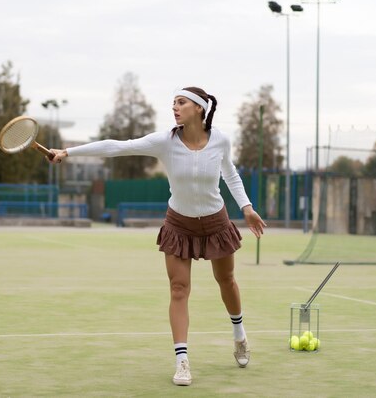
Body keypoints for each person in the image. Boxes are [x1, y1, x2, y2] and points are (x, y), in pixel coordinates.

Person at [48, 87, 266, 386]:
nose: (174, 108)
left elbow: (231, 174)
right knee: (179, 289)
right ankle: (182, 361)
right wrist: (68, 152)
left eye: (181, 102)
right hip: (179, 223)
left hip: (216, 221)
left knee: (226, 281)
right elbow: (118, 146)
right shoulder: (165, 141)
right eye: (173, 103)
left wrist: (247, 208)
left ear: (200, 109)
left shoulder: (221, 141)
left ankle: (239, 335)